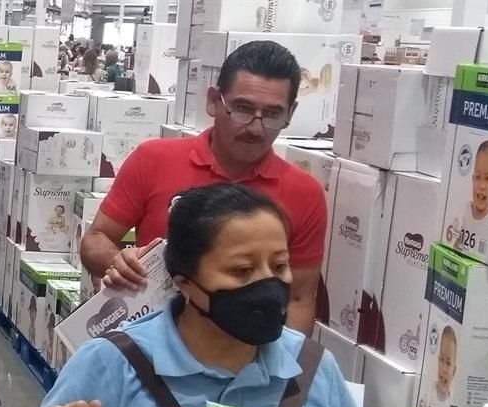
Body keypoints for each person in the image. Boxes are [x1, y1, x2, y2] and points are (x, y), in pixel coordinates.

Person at [5, 184, 373, 407]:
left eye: (279, 265)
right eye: (242, 270)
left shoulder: (310, 366)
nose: (268, 284)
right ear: (185, 282)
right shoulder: (116, 360)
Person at [81, 40, 327, 337]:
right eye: (242, 109)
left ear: (291, 112)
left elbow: (299, 299)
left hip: (247, 360)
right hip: (150, 348)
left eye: (273, 114)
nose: (256, 127)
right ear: (213, 101)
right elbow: (95, 241)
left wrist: (282, 371)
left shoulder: (304, 193)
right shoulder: (153, 160)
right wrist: (119, 262)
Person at [435, 325, 457, 402]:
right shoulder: (426, 391)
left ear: (454, 371)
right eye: (441, 359)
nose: (444, 369)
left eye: (448, 363)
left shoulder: (453, 402)